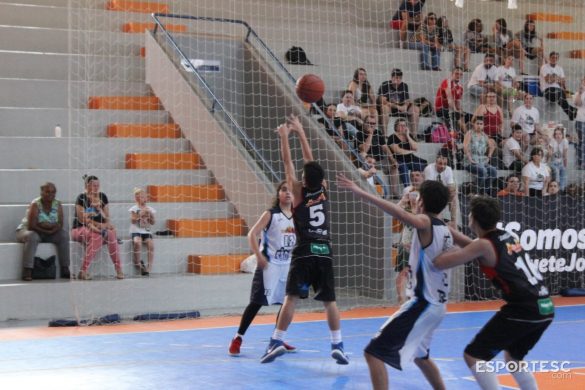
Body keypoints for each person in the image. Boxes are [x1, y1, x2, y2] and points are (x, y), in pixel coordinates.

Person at [337, 174, 452, 390]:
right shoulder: (445, 228)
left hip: (423, 305)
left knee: (373, 352)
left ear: (421, 202)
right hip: (437, 306)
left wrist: (361, 192)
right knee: (421, 357)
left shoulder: (425, 222)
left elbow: (397, 212)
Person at [434, 196, 554, 390]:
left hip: (523, 309)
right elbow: (475, 247)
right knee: (513, 358)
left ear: (472, 218)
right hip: (545, 307)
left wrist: (433, 244)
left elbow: (440, 263)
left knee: (473, 355)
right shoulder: (507, 235)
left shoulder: (483, 245)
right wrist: (445, 228)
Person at [261, 115, 349, 365]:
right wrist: (301, 132)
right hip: (325, 250)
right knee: (329, 301)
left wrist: (285, 137)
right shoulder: (324, 188)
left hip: (304, 250)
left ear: (303, 178)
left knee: (291, 298)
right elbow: (311, 163)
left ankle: (276, 341)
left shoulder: (297, 192)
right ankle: (338, 344)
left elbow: (288, 163)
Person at [229, 181, 297, 356]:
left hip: (287, 265)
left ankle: (277, 339)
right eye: (283, 190)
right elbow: (251, 233)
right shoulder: (271, 214)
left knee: (285, 303)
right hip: (270, 264)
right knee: (257, 302)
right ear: (278, 194)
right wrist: (259, 256)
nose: (287, 193)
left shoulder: (297, 215)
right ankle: (237, 338)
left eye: (290, 190)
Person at [71, 175, 124, 280]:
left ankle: (118, 269)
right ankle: (83, 271)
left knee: (111, 233)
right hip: (79, 229)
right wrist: (100, 225)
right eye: (93, 185)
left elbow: (107, 218)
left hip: (99, 229)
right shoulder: (81, 198)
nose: (96, 187)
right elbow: (82, 220)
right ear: (86, 186)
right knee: (97, 236)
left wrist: (100, 213)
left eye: (98, 185)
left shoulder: (102, 197)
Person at [16, 182, 70, 281]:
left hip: (47, 231)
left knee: (64, 235)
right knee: (32, 236)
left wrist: (50, 230)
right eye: (47, 192)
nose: (51, 194)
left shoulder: (57, 204)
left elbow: (60, 224)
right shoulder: (35, 204)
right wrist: (48, 229)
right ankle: (27, 269)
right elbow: (32, 226)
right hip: (28, 230)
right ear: (41, 192)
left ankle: (65, 268)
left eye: (53, 192)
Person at [395, 170, 424, 304]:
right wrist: (404, 201)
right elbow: (396, 211)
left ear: (423, 177)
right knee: (404, 269)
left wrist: (415, 207)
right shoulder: (408, 191)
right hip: (408, 235)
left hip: (422, 235)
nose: (414, 178)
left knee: (420, 270)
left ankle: (416, 298)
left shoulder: (426, 194)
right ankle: (401, 300)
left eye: (417, 175)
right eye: (412, 176)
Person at [355, 114, 402, 198]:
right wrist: (370, 134)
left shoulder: (378, 132)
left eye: (373, 123)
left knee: (394, 166)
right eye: (369, 123)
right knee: (364, 156)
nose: (371, 125)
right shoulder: (359, 133)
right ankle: (376, 190)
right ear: (364, 123)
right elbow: (364, 149)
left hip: (379, 160)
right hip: (367, 161)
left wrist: (392, 160)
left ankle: (394, 193)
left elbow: (385, 148)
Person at [377, 68, 420, 138]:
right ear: (391, 77)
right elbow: (382, 101)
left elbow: (407, 100)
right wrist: (398, 107)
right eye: (396, 77)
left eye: (400, 78)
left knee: (416, 109)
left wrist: (405, 106)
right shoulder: (385, 85)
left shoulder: (404, 85)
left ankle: (413, 136)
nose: (398, 80)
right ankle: (384, 135)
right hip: (391, 108)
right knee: (384, 108)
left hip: (401, 108)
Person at [388, 118, 428, 187]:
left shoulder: (409, 135)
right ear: (396, 127)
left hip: (410, 159)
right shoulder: (392, 137)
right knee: (404, 167)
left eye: (404, 125)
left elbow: (415, 147)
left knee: (423, 164)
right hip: (399, 159)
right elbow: (398, 151)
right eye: (400, 125)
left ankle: (422, 186)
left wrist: (408, 136)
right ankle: (407, 188)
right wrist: (410, 151)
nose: (403, 127)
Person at [463, 116, 497, 195]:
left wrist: (489, 156)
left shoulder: (484, 135)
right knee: (483, 170)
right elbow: (465, 146)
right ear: (473, 124)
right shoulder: (469, 133)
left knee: (493, 171)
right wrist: (470, 158)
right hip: (470, 161)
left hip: (482, 161)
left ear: (483, 125)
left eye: (481, 124)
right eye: (477, 123)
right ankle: (475, 192)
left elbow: (492, 146)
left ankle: (483, 192)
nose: (479, 125)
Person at [424, 151, 458, 228]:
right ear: (435, 162)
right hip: (430, 195)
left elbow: (451, 186)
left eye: (445, 164)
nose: (442, 166)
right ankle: (437, 218)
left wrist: (451, 191)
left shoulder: (448, 169)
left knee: (454, 195)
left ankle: (453, 222)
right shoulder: (429, 169)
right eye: (440, 163)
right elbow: (429, 188)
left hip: (442, 193)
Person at [539, 51, 577, 120]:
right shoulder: (544, 67)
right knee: (558, 92)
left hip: (559, 91)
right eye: (553, 57)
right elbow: (548, 80)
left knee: (560, 93)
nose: (554, 59)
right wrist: (558, 79)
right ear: (549, 58)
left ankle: (570, 113)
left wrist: (554, 78)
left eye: (556, 58)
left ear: (558, 59)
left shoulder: (560, 68)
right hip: (547, 90)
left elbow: (563, 83)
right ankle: (571, 110)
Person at [435, 67, 470, 134]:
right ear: (452, 74)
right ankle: (466, 136)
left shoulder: (460, 87)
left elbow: (458, 103)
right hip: (441, 109)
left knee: (467, 116)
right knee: (457, 115)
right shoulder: (447, 82)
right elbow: (449, 99)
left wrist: (461, 111)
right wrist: (456, 110)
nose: (458, 76)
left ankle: (464, 135)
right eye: (456, 73)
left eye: (460, 74)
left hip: (450, 109)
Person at [129, 188, 155, 276]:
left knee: (151, 244)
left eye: (144, 197)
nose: (144, 199)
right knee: (137, 242)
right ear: (136, 199)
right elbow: (132, 220)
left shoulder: (150, 208)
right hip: (136, 231)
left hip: (146, 231)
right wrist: (140, 214)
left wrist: (150, 214)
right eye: (141, 197)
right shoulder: (134, 208)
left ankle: (149, 267)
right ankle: (138, 264)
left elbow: (153, 222)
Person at [548, 125, 569, 191]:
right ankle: (555, 190)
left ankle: (562, 190)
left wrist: (565, 165)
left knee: (563, 173)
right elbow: (550, 154)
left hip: (561, 163)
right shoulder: (552, 141)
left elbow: (565, 154)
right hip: (553, 163)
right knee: (556, 172)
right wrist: (550, 151)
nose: (558, 135)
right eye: (556, 134)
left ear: (562, 135)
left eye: (559, 134)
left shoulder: (565, 141)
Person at [574, 77, 585, 169]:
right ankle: (580, 163)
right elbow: (578, 104)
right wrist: (580, 93)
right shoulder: (578, 93)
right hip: (581, 120)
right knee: (581, 142)